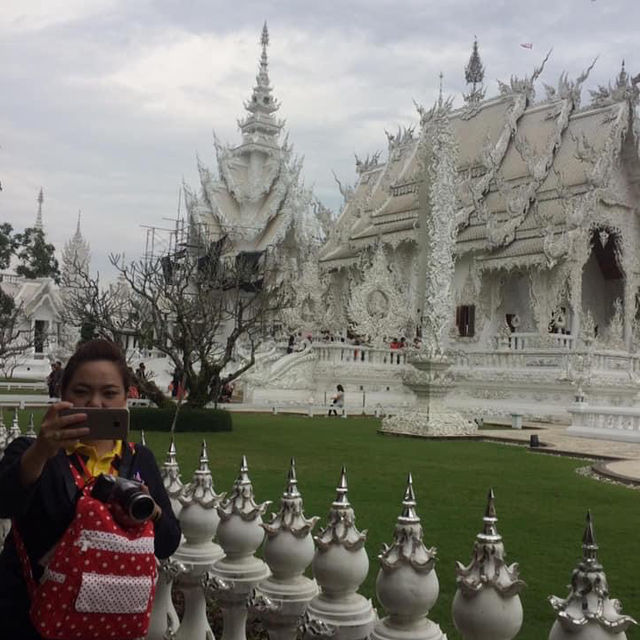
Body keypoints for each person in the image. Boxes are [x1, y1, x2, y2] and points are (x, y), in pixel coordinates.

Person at [0, 339, 181, 639]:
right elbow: (5, 502)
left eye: (109, 393)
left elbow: (168, 543)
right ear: (63, 394)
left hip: (109, 624)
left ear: (126, 397)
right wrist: (43, 450)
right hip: (29, 619)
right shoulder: (34, 452)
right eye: (81, 392)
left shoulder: (138, 459)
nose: (96, 403)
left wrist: (152, 510)